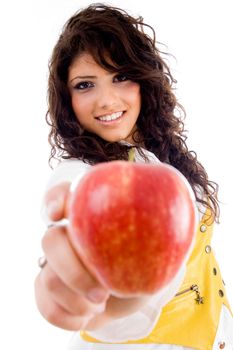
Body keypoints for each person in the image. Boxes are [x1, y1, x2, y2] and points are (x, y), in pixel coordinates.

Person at [34, 3, 233, 349]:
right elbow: (72, 209)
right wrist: (95, 296)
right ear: (66, 98)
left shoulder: (161, 152)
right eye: (85, 85)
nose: (107, 101)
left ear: (143, 79)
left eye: (120, 76)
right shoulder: (81, 174)